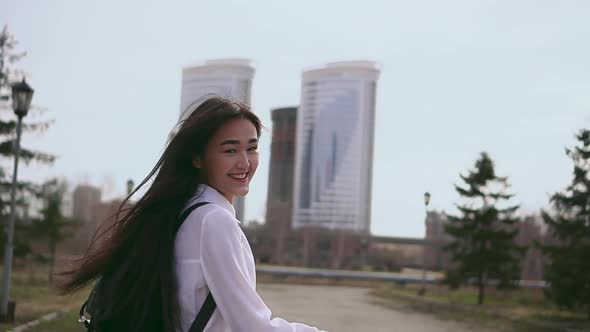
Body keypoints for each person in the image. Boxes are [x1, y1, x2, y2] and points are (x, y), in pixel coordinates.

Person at [60, 97, 326, 332]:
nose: (244, 163)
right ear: (197, 158)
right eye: (230, 150)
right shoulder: (213, 220)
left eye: (252, 148)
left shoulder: (181, 212)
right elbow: (251, 326)